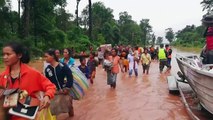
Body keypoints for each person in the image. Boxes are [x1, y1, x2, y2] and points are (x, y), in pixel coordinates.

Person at [0, 42, 56, 120]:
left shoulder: (32, 73)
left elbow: (50, 86)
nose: (5, 57)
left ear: (19, 55)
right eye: (3, 54)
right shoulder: (2, 76)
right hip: (8, 114)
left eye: (8, 54)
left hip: (27, 114)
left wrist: (47, 96)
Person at [44, 49, 74, 117]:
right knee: (53, 109)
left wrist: (67, 87)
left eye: (46, 56)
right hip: (55, 92)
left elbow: (69, 76)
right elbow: (47, 82)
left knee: (69, 106)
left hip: (65, 90)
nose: (45, 58)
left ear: (52, 56)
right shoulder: (47, 69)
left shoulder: (62, 66)